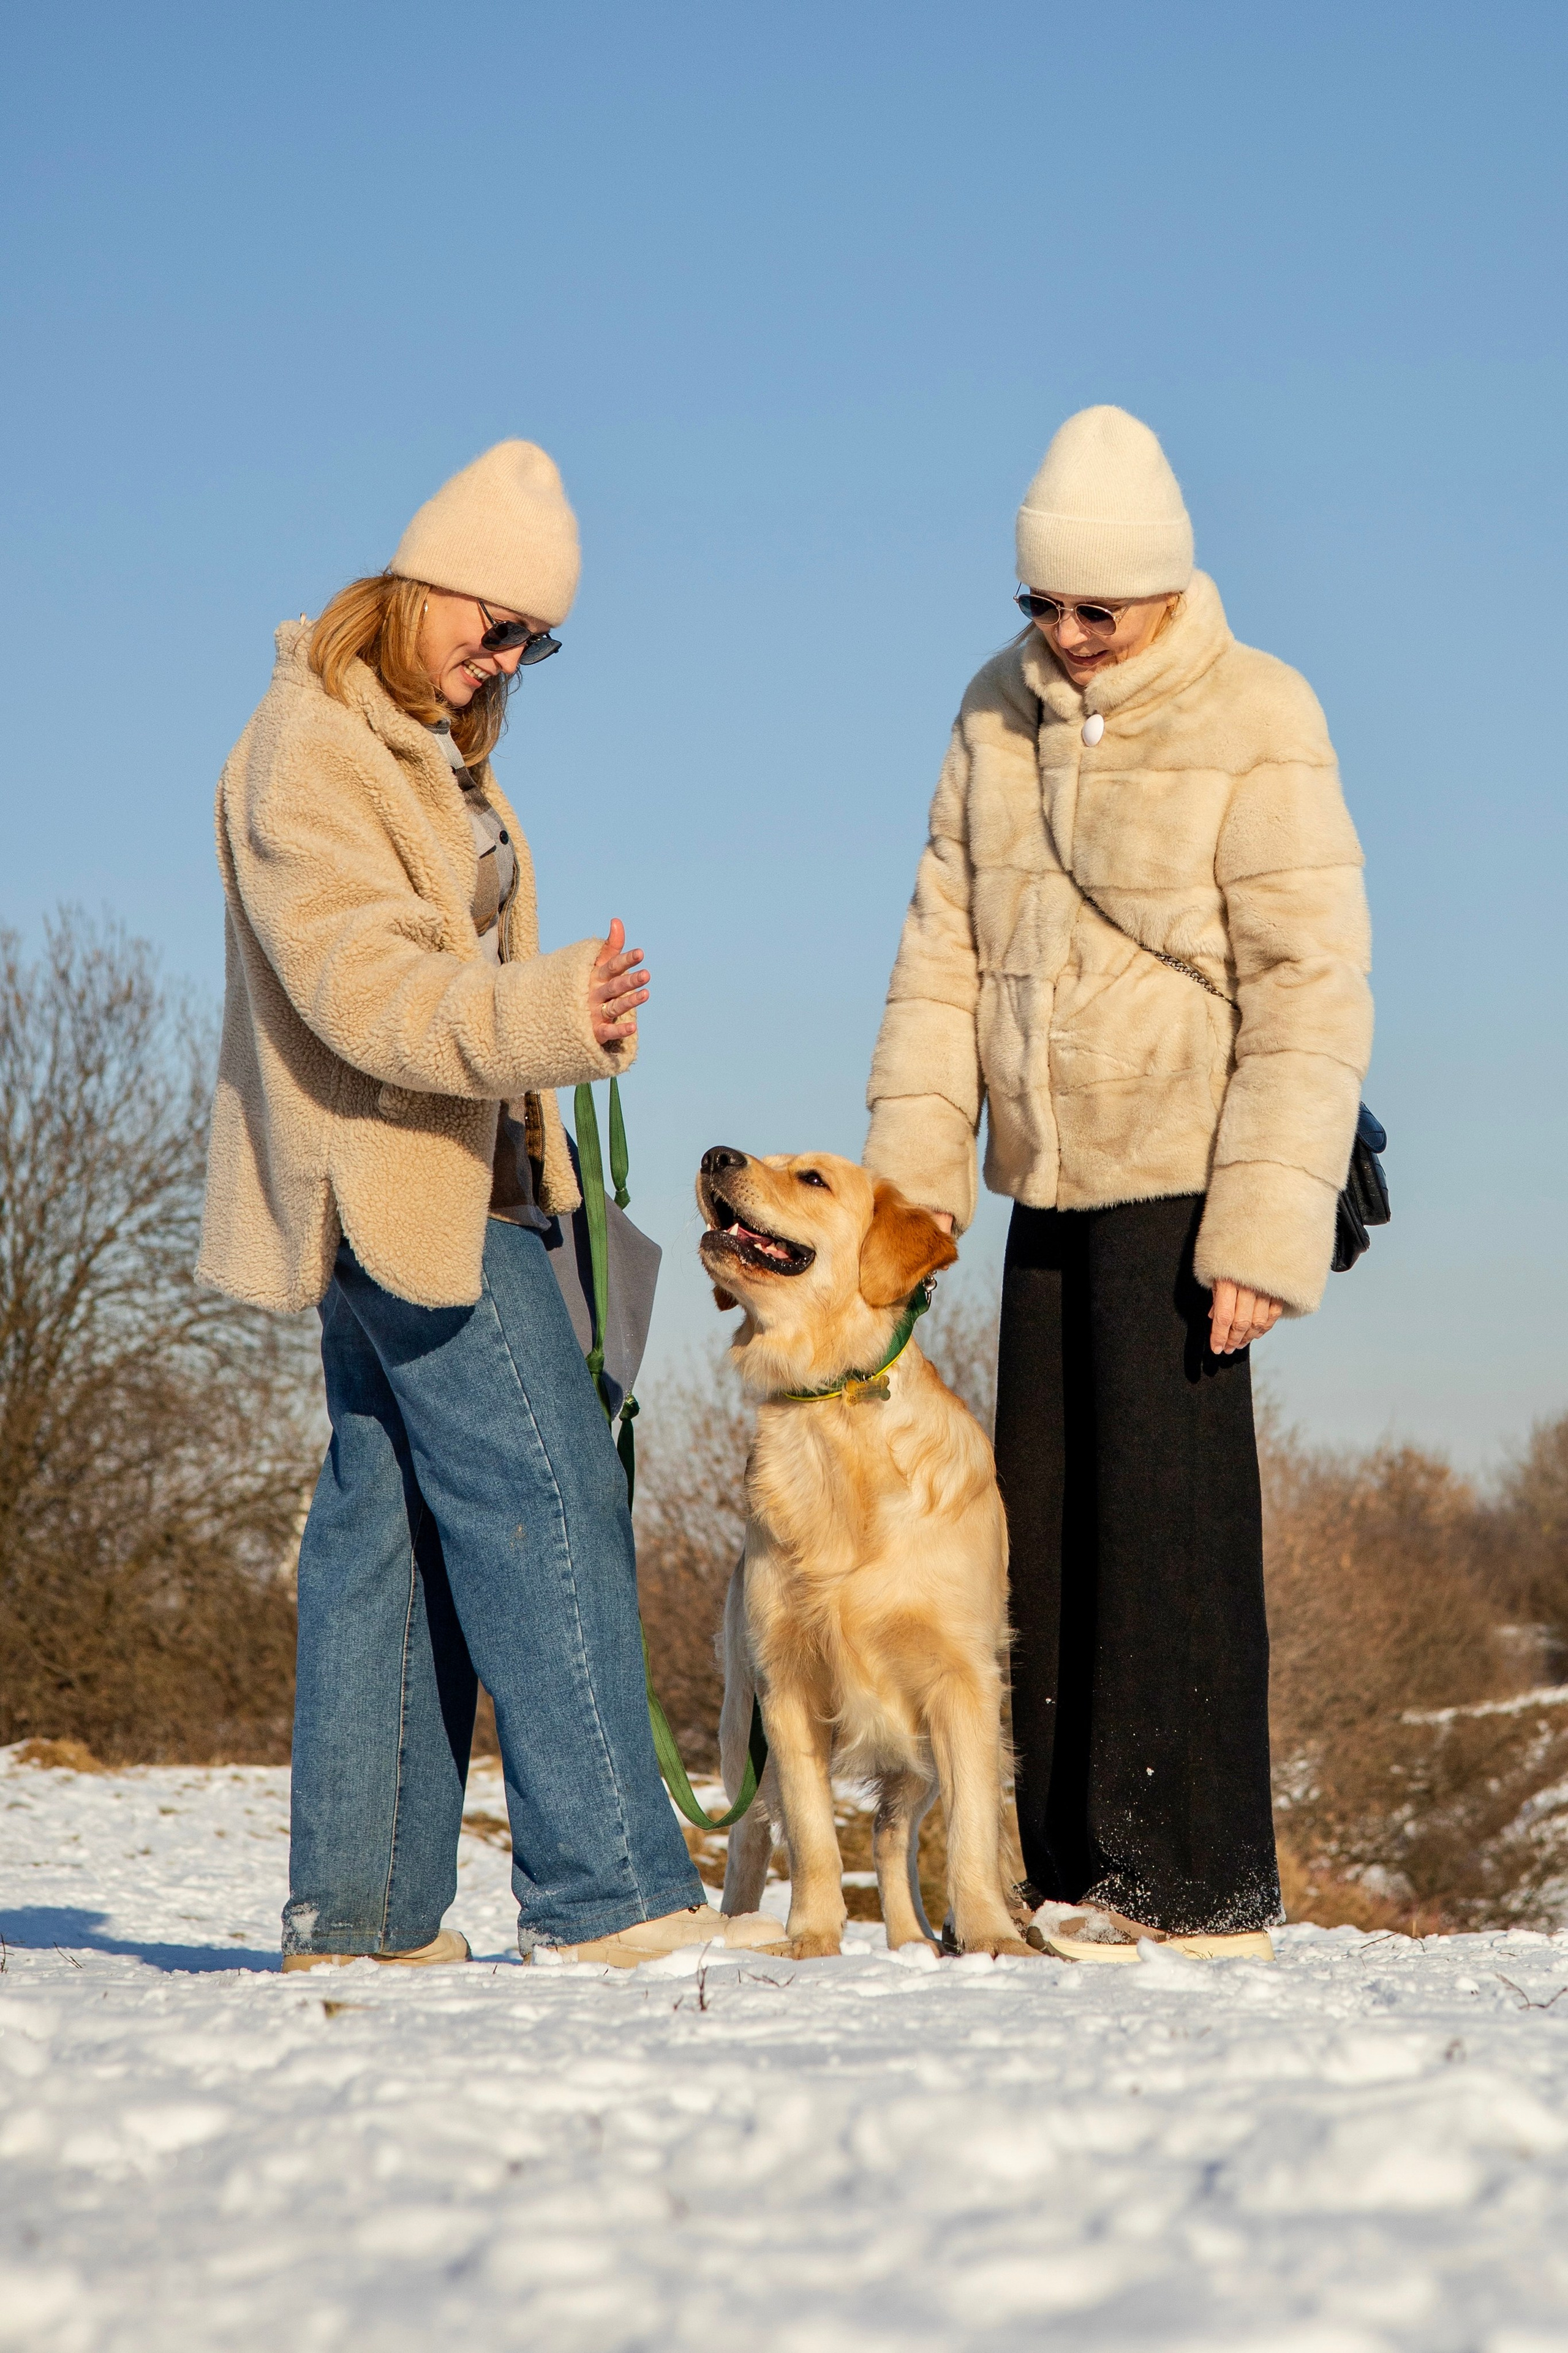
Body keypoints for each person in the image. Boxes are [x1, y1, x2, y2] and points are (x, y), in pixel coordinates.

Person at [198, 440, 783, 1970]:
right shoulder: (307, 747)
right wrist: (543, 1011)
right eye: (490, 617)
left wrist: (562, 1033)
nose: (503, 653)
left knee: (382, 1531)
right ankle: (611, 1896)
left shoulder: (423, 748)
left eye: (533, 638)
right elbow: (362, 987)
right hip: (407, 1200)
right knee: (547, 1492)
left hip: (463, 1184)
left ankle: (362, 1917)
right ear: (416, 575)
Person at [864, 406, 1372, 1962]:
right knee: (1037, 1526)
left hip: (1186, 1180)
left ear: (1164, 590)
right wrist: (908, 1199)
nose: (1067, 639)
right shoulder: (985, 714)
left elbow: (1310, 980)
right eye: (1041, 607)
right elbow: (939, 956)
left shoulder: (1260, 710)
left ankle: (1191, 1888)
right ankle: (1059, 1868)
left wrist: (1264, 1229)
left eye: (1099, 609)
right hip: (1041, 1185)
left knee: (1170, 1532)